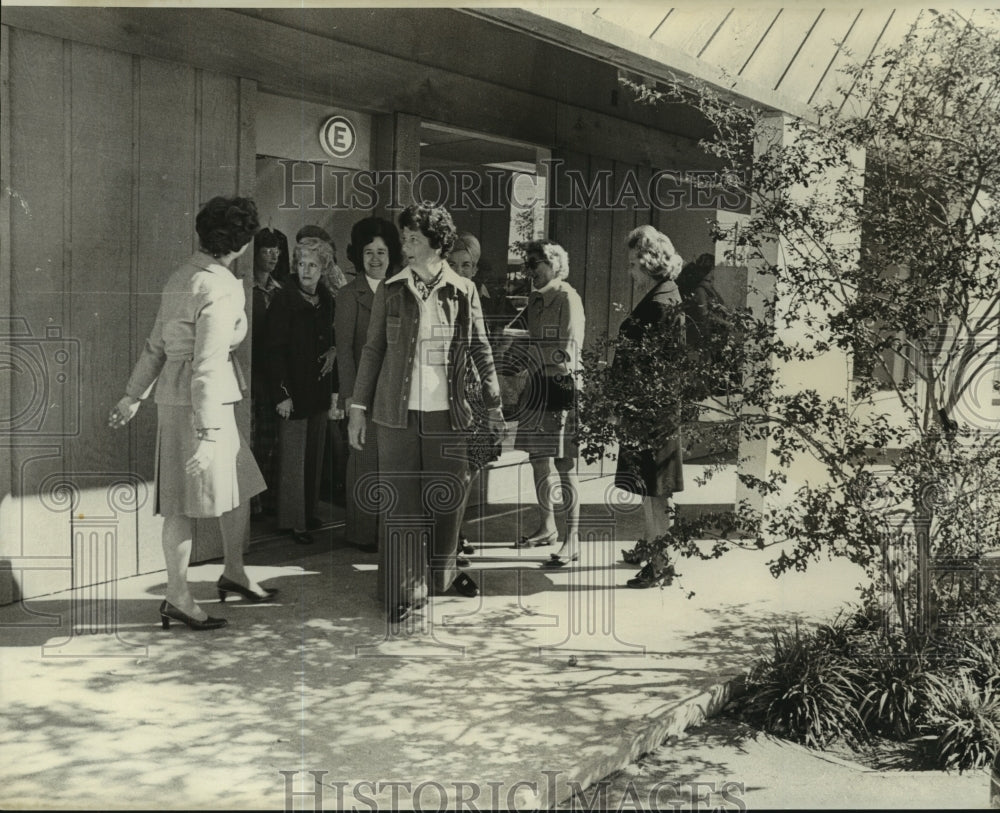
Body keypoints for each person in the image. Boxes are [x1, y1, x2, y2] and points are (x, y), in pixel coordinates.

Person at [108, 195, 276, 631]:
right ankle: (178, 597)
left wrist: (132, 395)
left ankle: (235, 572)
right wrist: (207, 432)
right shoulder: (220, 286)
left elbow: (154, 346)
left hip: (191, 399)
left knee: (238, 484)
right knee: (182, 503)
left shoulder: (181, 276)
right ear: (240, 244)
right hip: (203, 405)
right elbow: (205, 364)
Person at [347, 203, 505, 624]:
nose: (406, 247)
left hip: (450, 415)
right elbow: (372, 350)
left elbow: (480, 348)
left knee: (447, 501)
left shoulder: (462, 290)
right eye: (405, 239)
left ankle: (440, 575)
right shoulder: (391, 288)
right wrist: (357, 408)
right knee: (400, 503)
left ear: (437, 244)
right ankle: (401, 591)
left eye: (414, 239)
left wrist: (494, 405)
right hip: (394, 416)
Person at [613, 225, 686, 588]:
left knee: (655, 492)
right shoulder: (665, 296)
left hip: (648, 413)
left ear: (648, 263)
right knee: (652, 490)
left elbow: (651, 366)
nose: (629, 271)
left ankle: (661, 565)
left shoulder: (659, 304)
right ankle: (654, 553)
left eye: (632, 264)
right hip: (652, 411)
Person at [507, 240, 585, 567]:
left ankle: (573, 539)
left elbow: (564, 352)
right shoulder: (535, 299)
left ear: (554, 264)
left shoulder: (567, 297)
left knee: (564, 464)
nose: (530, 270)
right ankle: (547, 527)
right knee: (538, 459)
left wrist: (526, 358)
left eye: (536, 263)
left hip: (560, 385)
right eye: (527, 264)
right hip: (537, 385)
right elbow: (516, 334)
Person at [336, 216, 403, 552]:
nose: (375, 258)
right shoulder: (349, 295)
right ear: (358, 256)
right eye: (368, 252)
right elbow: (346, 351)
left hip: (393, 392)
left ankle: (385, 528)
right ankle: (361, 533)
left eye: (381, 251)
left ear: (391, 254)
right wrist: (350, 398)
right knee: (362, 460)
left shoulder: (401, 289)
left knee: (389, 461)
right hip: (363, 394)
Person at [266, 236, 338, 544]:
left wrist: (333, 350)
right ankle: (293, 523)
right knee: (293, 461)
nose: (305, 270)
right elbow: (273, 349)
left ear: (323, 268)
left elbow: (334, 337)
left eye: (312, 265)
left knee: (314, 457)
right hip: (292, 392)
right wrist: (282, 393)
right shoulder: (285, 299)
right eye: (301, 264)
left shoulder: (327, 300)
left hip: (318, 391)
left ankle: (307, 514)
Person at [250, 228, 283, 516]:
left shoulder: (280, 290)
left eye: (277, 249)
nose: (274, 255)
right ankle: (252, 502)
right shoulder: (245, 290)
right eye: (267, 249)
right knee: (253, 437)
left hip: (275, 377)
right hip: (251, 375)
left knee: (271, 439)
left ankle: (270, 500)